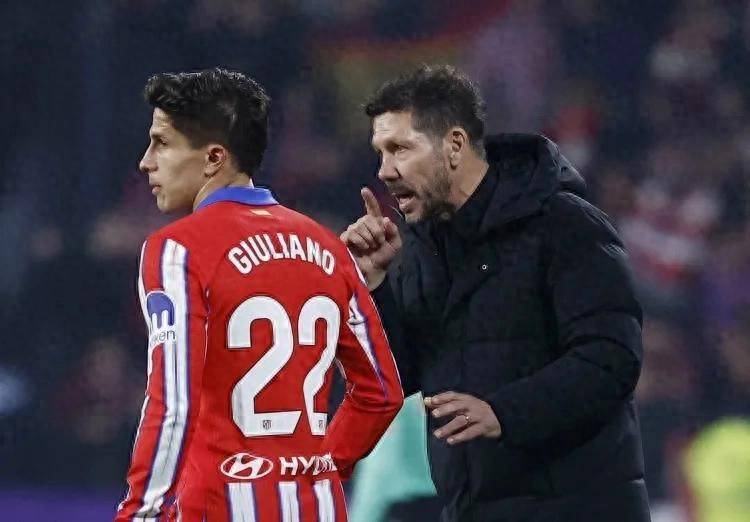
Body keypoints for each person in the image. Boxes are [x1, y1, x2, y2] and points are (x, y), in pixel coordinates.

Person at [341, 65, 651, 521]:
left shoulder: (564, 224)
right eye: (380, 153)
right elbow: (398, 376)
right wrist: (374, 285)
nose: (384, 171)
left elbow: (611, 359)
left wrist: (504, 412)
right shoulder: (424, 248)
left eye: (400, 149)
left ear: (454, 145)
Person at [115, 68, 403, 522]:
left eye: (161, 143)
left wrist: (141, 514)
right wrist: (318, 468)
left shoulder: (177, 250)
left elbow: (173, 403)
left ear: (214, 158)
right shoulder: (329, 248)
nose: (146, 162)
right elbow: (381, 393)